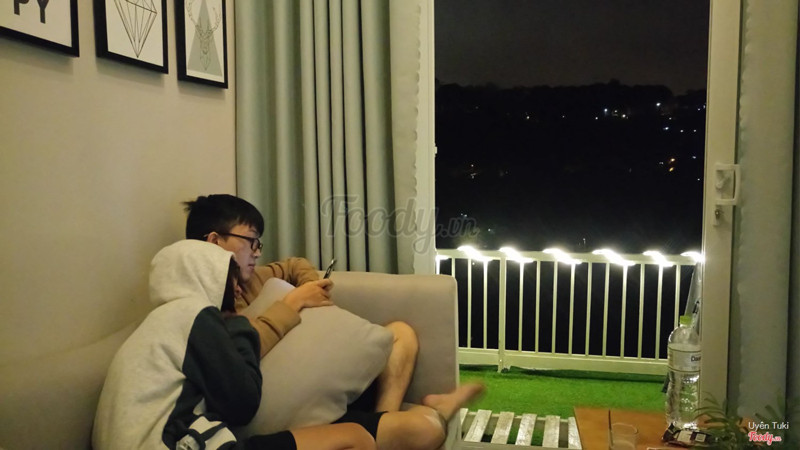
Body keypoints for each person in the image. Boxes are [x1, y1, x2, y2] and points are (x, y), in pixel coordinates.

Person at [93, 240, 378, 450]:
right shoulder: (194, 315)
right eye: (231, 278)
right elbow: (243, 403)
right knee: (354, 438)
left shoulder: (160, 322)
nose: (239, 288)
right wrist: (239, 323)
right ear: (207, 275)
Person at [184, 194, 419, 412]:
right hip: (285, 395)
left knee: (401, 333)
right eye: (251, 241)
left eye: (258, 244)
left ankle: (386, 417)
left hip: (321, 368)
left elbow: (296, 265)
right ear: (214, 241)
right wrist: (294, 301)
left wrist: (312, 290)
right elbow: (235, 357)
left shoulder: (253, 278)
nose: (257, 253)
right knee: (423, 425)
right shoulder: (199, 308)